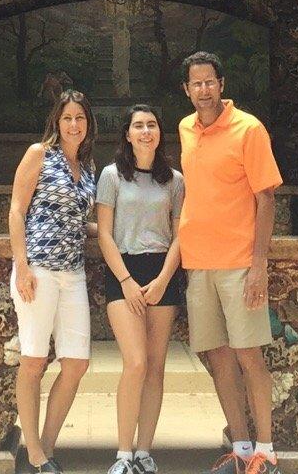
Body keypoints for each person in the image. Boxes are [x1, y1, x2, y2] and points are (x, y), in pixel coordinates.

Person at [177, 51, 283, 474]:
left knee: (248, 356)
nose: (203, 90)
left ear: (222, 84)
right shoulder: (186, 128)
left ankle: (266, 451)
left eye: (209, 82)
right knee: (217, 355)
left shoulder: (249, 128)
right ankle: (240, 449)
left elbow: (266, 197)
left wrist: (259, 265)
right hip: (198, 264)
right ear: (186, 90)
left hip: (239, 263)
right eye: (195, 84)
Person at [9, 89, 97, 474]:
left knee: (76, 363)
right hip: (39, 270)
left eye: (80, 118)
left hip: (72, 273)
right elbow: (16, 210)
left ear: (88, 123)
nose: (74, 125)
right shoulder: (39, 154)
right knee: (33, 360)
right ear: (56, 122)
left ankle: (43, 448)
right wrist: (22, 266)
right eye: (67, 118)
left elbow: (81, 222)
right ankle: (35, 457)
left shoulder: (89, 167)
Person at [94, 104, 185, 474]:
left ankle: (145, 451)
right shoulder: (112, 176)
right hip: (124, 271)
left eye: (151, 125)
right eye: (138, 126)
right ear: (127, 135)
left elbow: (180, 235)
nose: (145, 131)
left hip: (162, 269)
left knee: (156, 367)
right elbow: (103, 233)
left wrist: (163, 278)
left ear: (159, 133)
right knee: (135, 362)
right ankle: (122, 454)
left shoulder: (175, 181)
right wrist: (126, 282)